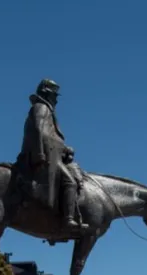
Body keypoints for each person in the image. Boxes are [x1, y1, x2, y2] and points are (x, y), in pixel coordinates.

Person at [16, 78, 86, 230]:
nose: (56, 100)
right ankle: (68, 220)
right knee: (70, 182)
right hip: (46, 156)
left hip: (51, 153)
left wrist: (63, 148)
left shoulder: (43, 108)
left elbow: (47, 135)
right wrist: (56, 150)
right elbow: (39, 131)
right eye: (54, 95)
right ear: (47, 94)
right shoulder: (41, 108)